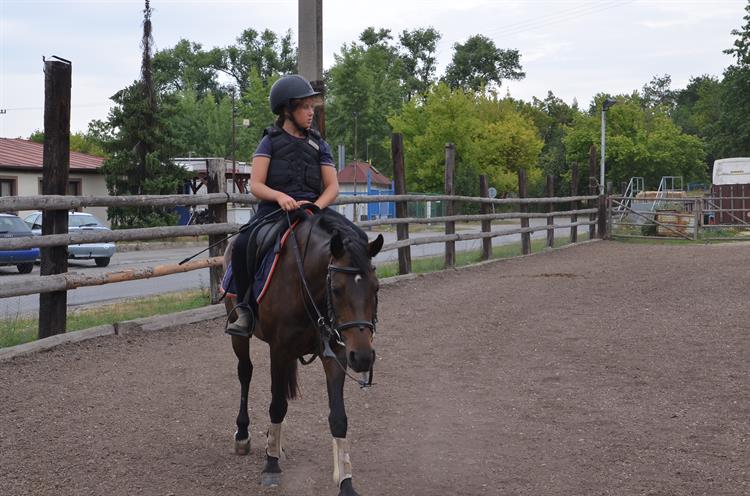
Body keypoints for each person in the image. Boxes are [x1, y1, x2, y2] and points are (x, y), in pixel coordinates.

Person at [226, 74, 339, 336]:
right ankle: (244, 309)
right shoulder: (270, 141)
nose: (311, 112)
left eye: (313, 107)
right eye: (305, 107)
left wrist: (316, 206)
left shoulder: (319, 144)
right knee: (242, 244)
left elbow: (332, 187)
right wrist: (279, 196)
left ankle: (342, 311)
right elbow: (256, 184)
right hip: (274, 212)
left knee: (348, 243)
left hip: (312, 212)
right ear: (288, 109)